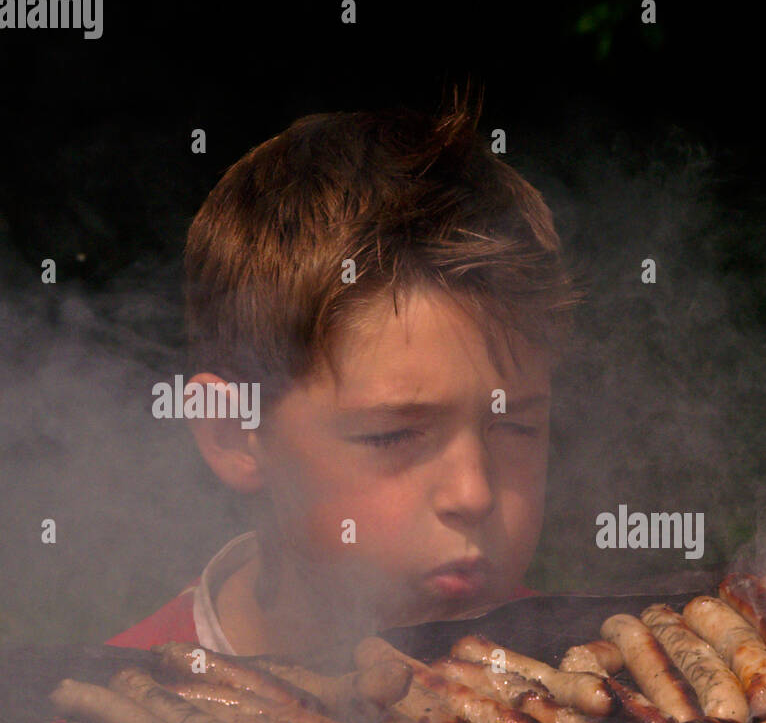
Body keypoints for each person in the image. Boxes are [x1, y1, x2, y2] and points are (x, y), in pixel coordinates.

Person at [107, 93, 579, 656]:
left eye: (518, 426)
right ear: (232, 432)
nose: (473, 494)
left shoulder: (586, 670)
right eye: (393, 434)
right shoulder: (91, 721)